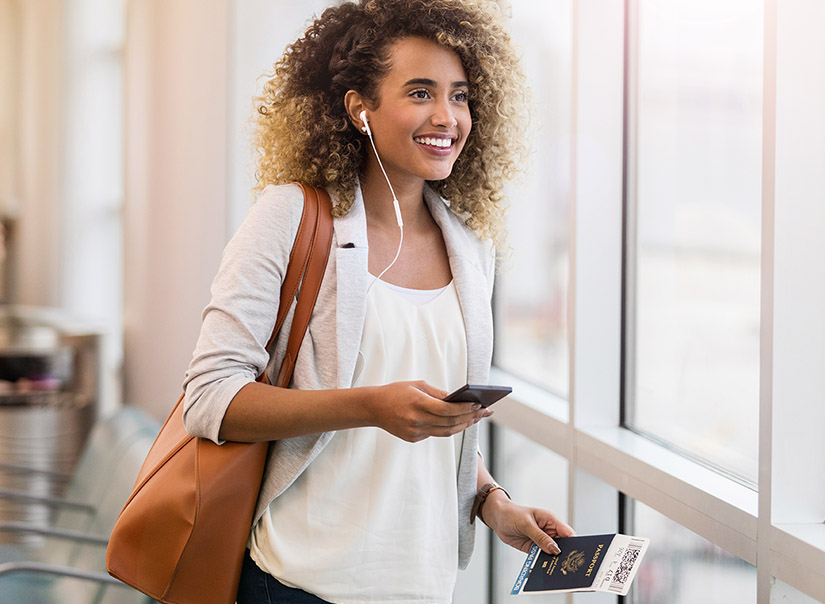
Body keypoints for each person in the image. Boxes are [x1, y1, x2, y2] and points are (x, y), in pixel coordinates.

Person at [181, 1, 574, 602]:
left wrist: (494, 503)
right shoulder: (292, 216)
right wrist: (368, 406)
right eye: (420, 92)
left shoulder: (471, 248)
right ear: (359, 108)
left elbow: (425, 429)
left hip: (420, 584)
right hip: (301, 581)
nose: (447, 116)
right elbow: (210, 399)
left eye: (461, 95)